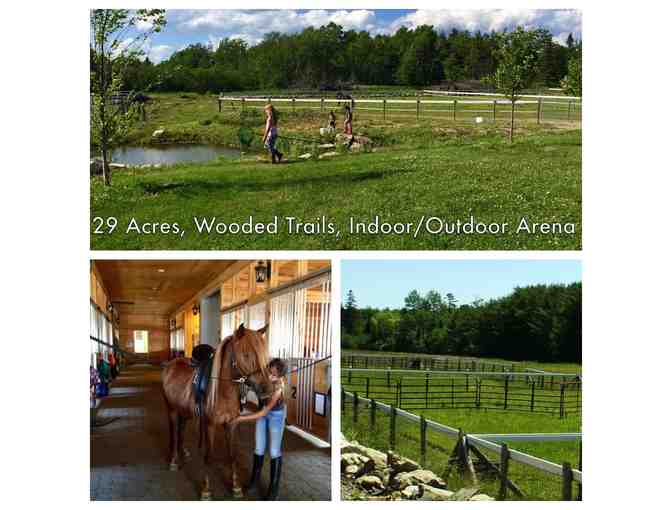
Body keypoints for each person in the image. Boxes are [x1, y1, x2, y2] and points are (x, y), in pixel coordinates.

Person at [233, 358, 288, 500]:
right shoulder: (266, 377)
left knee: (274, 450)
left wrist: (240, 419)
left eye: (274, 375)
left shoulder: (278, 389)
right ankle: (254, 481)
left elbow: (263, 412)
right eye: (269, 372)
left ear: (281, 376)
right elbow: (253, 383)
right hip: (262, 412)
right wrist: (244, 380)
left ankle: (273, 488)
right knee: (258, 448)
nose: (270, 376)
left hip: (275, 415)